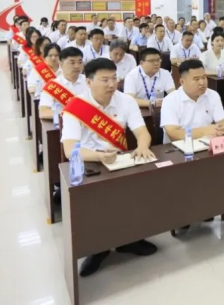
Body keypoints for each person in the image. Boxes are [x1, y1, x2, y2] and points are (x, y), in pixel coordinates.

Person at [61, 57, 157, 277]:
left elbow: (142, 132)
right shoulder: (76, 107)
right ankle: (97, 249)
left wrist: (142, 146)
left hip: (119, 159)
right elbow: (70, 149)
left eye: (114, 78)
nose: (112, 84)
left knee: (137, 192)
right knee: (95, 204)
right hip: (90, 163)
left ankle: (130, 240)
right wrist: (98, 156)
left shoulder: (126, 101)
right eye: (105, 80)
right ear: (88, 82)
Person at [160, 59, 224, 144]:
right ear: (182, 82)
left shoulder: (213, 95)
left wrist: (222, 128)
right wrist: (204, 131)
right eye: (196, 79)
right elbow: (173, 134)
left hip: (207, 145)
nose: (202, 82)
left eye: (204, 77)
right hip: (178, 147)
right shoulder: (170, 100)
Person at [38, 46, 86, 120]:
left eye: (80, 62)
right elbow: (43, 112)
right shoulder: (53, 86)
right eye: (72, 63)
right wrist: (72, 115)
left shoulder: (90, 82)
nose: (77, 66)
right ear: (61, 64)